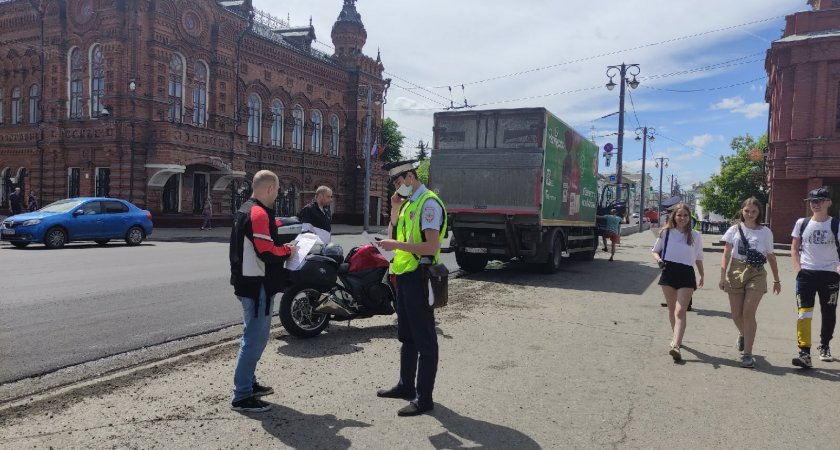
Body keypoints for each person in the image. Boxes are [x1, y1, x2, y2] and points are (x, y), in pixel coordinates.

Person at [376, 160, 447, 417]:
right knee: (406, 336)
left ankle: (424, 397)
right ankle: (406, 385)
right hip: (404, 276)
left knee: (425, 339)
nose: (397, 188)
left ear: (409, 177)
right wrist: (394, 209)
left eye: (398, 183)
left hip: (420, 277)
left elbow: (430, 247)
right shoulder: (407, 204)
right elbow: (394, 235)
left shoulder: (428, 203)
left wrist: (397, 245)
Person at [229, 170, 296, 412]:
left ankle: (248, 383)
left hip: (249, 283)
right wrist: (288, 251)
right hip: (257, 286)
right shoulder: (257, 212)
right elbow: (265, 250)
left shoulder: (246, 209)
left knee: (254, 337)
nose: (277, 195)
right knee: (254, 340)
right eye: (277, 191)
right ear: (269, 189)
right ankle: (242, 396)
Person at [718, 197, 780, 368]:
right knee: (736, 314)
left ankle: (747, 353)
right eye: (747, 211)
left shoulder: (765, 232)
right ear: (742, 211)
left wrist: (776, 279)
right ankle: (743, 334)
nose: (750, 214)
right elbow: (726, 254)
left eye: (754, 211)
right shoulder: (734, 230)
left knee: (748, 313)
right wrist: (722, 276)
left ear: (759, 212)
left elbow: (771, 256)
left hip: (757, 272)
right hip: (736, 271)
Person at [790, 187, 840, 369]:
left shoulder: (836, 224)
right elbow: (795, 248)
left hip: (830, 274)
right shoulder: (801, 223)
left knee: (828, 312)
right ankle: (804, 353)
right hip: (807, 274)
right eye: (812, 201)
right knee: (804, 312)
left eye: (820, 200)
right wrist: (798, 269)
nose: (816, 204)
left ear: (828, 202)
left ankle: (825, 345)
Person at [651, 203, 704, 361]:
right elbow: (654, 251)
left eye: (685, 215)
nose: (682, 218)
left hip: (687, 273)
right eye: (679, 215)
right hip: (668, 271)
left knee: (680, 311)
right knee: (672, 309)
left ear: (690, 218)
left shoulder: (695, 235)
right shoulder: (665, 233)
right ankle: (677, 338)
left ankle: (676, 345)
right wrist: (659, 260)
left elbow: (699, 257)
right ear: (674, 216)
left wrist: (702, 275)